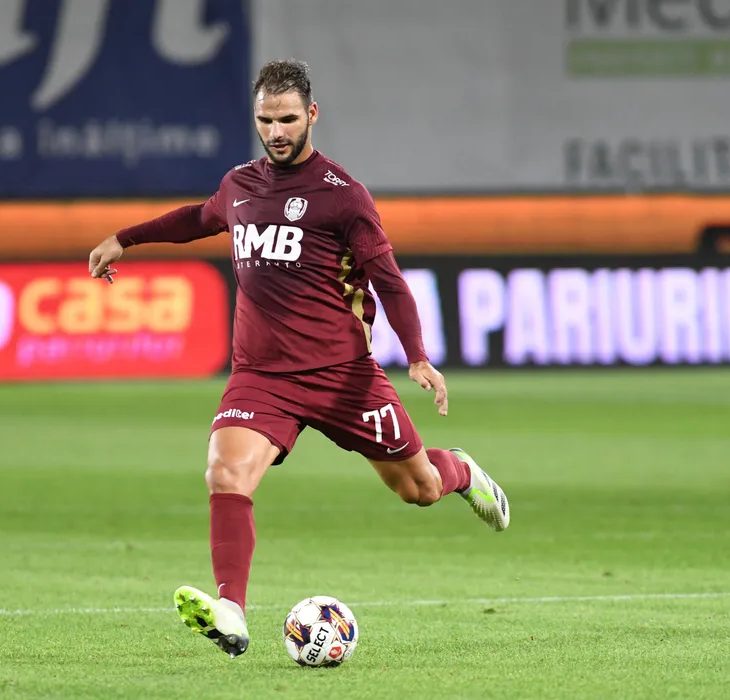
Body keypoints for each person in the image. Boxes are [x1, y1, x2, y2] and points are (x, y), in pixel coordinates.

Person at [87, 58, 510, 659]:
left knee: (419, 488)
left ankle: (461, 470)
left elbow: (388, 280)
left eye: (287, 119)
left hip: (343, 377)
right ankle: (231, 610)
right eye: (265, 120)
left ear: (311, 114)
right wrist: (124, 238)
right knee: (225, 474)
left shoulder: (343, 197)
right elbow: (198, 219)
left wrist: (417, 357)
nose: (276, 132)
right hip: (261, 377)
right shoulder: (240, 185)